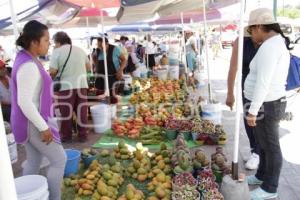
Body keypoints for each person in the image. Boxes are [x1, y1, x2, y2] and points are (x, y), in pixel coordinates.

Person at [11, 20, 66, 200]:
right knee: (59, 160)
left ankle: (26, 196)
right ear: (34, 42)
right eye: (46, 40)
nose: (49, 44)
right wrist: (43, 127)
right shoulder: (28, 65)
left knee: (34, 161)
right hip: (32, 122)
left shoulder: (27, 58)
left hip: (26, 121)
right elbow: (25, 102)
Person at [244, 8, 291, 199]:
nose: (252, 35)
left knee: (271, 146)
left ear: (260, 26)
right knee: (262, 144)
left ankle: (270, 188)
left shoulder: (271, 47)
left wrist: (253, 111)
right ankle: (261, 176)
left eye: (252, 31)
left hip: (268, 104)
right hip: (266, 103)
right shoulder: (273, 44)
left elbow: (263, 82)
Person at [49, 31, 91, 143]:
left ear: (58, 42)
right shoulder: (80, 50)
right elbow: (88, 67)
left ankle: (66, 136)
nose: (54, 45)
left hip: (66, 87)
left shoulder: (57, 52)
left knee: (66, 113)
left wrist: (55, 76)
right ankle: (83, 135)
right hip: (82, 85)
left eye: (55, 43)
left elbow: (52, 71)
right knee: (82, 112)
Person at [226, 36, 260, 170]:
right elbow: (233, 68)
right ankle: (254, 151)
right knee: (248, 120)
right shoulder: (241, 41)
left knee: (258, 120)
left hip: (263, 87)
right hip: (246, 86)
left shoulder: (270, 41)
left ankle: (258, 153)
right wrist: (230, 93)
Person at [92, 37, 127, 104]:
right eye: (98, 46)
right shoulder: (98, 50)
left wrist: (120, 70)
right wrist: (96, 67)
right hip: (102, 77)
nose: (100, 48)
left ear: (107, 43)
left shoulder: (115, 49)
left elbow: (124, 60)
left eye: (101, 46)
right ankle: (105, 109)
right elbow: (94, 57)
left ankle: (113, 109)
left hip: (113, 76)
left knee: (113, 96)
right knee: (102, 96)